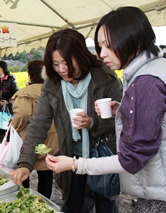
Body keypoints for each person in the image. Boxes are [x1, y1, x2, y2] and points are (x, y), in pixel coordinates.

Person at [45, 7, 166, 213]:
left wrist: (75, 164)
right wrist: (123, 109)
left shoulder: (146, 80)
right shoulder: (154, 68)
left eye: (108, 45)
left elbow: (131, 158)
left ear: (133, 39)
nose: (102, 54)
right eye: (100, 46)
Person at [10, 29, 122, 213]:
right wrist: (25, 164)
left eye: (68, 62)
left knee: (106, 206)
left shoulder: (105, 79)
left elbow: (119, 124)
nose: (62, 69)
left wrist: (92, 122)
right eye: (56, 63)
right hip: (71, 160)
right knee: (74, 206)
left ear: (82, 56)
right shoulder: (53, 85)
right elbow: (38, 126)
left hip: (103, 159)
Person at [10, 60, 59, 199]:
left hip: (29, 140)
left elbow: (22, 115)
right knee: (45, 172)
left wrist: (13, 126)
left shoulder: (25, 93)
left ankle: (25, 198)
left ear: (30, 75)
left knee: (24, 169)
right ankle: (44, 201)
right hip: (50, 141)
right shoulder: (54, 90)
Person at [0, 60, 18, 143]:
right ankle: (2, 146)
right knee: (1, 128)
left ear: (4, 69)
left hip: (9, 108)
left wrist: (7, 101)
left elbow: (16, 93)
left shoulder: (11, 79)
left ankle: (9, 146)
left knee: (9, 127)